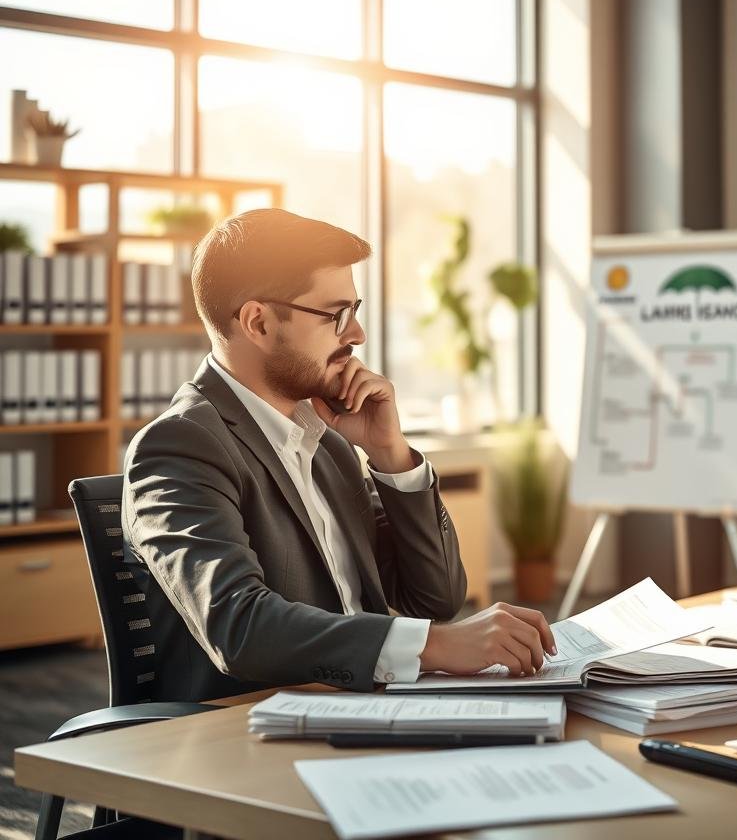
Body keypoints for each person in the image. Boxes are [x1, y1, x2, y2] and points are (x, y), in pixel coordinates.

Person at [122, 208, 556, 701]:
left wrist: (391, 455)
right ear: (258, 322)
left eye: (355, 310)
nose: (356, 335)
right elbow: (239, 626)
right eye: (336, 315)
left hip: (362, 705)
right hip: (259, 730)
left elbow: (435, 599)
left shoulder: (327, 444)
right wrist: (435, 646)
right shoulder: (180, 446)